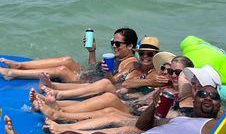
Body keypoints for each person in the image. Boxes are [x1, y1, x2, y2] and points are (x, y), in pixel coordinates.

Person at [0, 85, 221, 134]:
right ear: (196, 99)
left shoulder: (211, 124)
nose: (208, 98)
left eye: (214, 96)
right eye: (203, 94)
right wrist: (154, 104)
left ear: (219, 104)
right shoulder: (180, 118)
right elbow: (144, 125)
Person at [42, 53, 193, 134]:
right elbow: (137, 92)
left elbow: (180, 116)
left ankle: (61, 114)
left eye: (177, 73)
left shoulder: (186, 92)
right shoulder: (162, 83)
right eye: (170, 71)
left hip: (146, 119)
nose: (172, 74)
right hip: (138, 111)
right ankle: (59, 110)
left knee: (110, 108)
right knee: (108, 103)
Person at [31, 37, 170, 124]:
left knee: (104, 89)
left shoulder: (157, 75)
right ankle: (54, 99)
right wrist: (107, 71)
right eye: (142, 53)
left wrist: (149, 83)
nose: (145, 56)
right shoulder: (135, 67)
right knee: (103, 84)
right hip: (119, 93)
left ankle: (56, 98)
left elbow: (127, 84)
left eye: (150, 54)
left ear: (156, 56)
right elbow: (118, 81)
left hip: (129, 103)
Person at [0, 27, 138, 83]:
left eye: (118, 44)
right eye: (113, 42)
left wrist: (107, 72)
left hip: (90, 83)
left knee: (62, 70)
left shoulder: (130, 63)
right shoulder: (117, 57)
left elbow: (114, 83)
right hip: (90, 74)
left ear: (130, 46)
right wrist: (92, 51)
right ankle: (20, 65)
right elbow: (93, 67)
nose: (114, 46)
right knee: (67, 60)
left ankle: (12, 73)